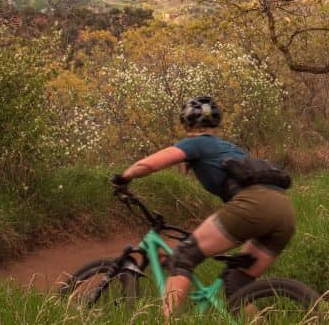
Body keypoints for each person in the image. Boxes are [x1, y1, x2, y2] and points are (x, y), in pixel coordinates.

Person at [111, 95, 295, 315]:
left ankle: (167, 320)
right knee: (237, 283)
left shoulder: (197, 142)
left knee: (183, 255)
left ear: (187, 122)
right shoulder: (229, 148)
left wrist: (124, 177)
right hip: (285, 212)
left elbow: (149, 164)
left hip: (254, 205)